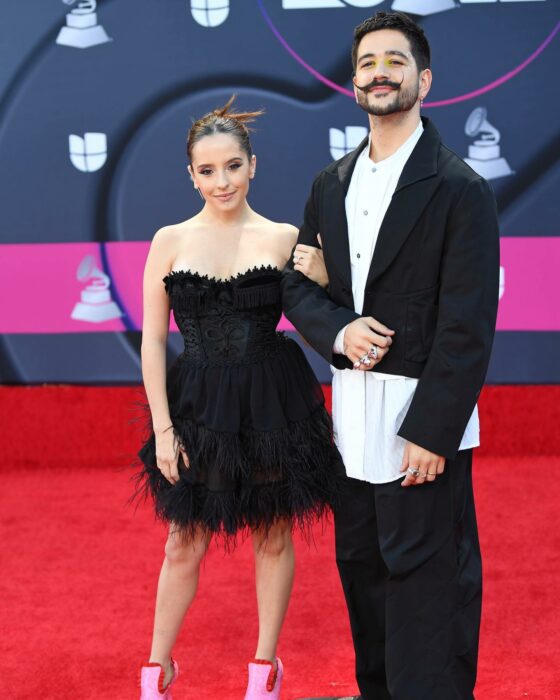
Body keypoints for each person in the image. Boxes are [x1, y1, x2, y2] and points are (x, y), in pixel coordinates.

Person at [282, 11, 500, 700]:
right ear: (355, 83)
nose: (379, 71)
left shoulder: (461, 188)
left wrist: (433, 430)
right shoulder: (330, 184)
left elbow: (468, 325)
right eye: (368, 61)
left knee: (429, 583)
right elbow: (296, 282)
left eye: (394, 61)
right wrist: (340, 331)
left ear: (423, 79)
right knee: (363, 568)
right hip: (352, 420)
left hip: (420, 423)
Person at [135, 97, 340, 700]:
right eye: (207, 170)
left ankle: (263, 669)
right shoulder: (168, 241)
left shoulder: (283, 238)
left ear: (254, 166)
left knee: (273, 533)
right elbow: (151, 341)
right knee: (182, 540)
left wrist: (324, 277)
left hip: (274, 401)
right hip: (197, 405)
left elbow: (321, 314)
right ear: (190, 175)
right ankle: (156, 669)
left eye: (232, 166)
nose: (220, 181)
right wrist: (164, 429)